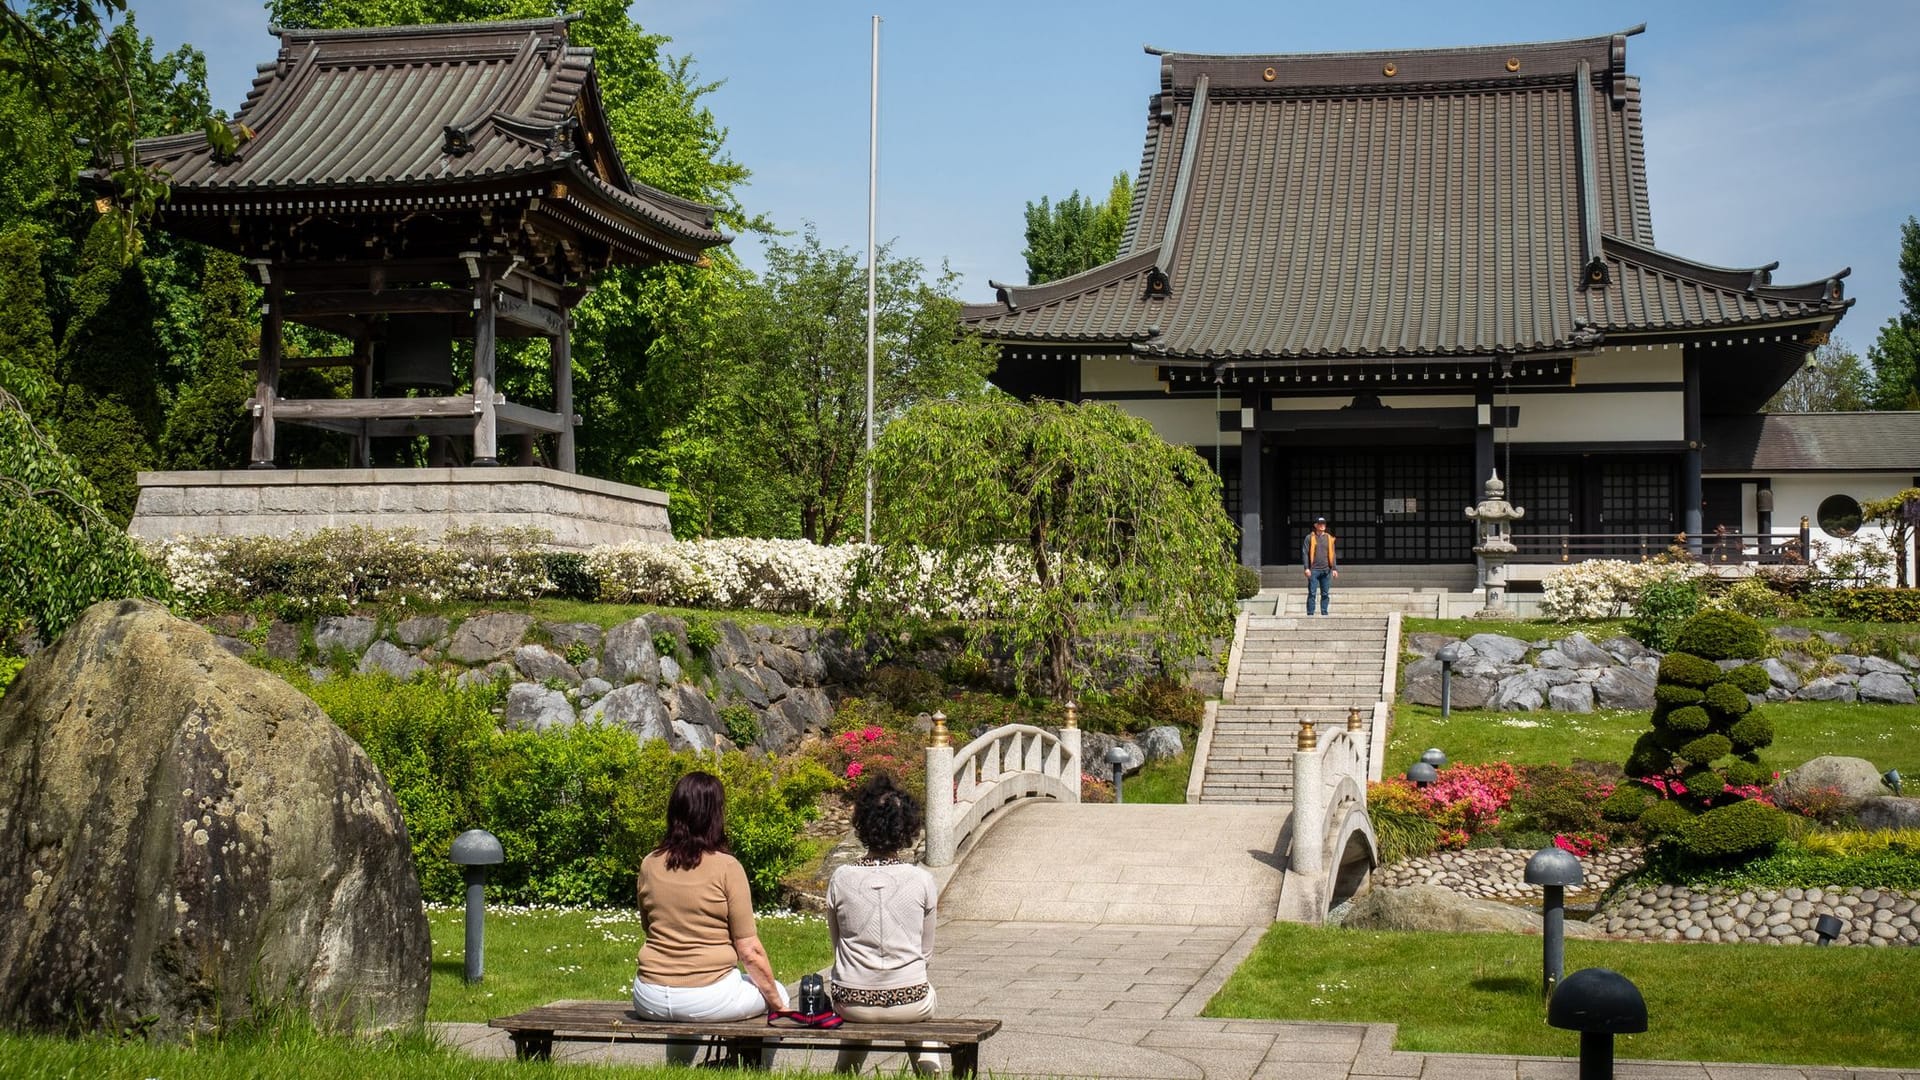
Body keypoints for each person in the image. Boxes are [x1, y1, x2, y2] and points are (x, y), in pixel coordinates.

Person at [632, 771, 789, 1061]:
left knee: (689, 1006)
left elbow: (648, 926)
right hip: (706, 997)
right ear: (714, 815)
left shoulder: (649, 863)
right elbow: (750, 952)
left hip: (648, 995)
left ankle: (676, 1069)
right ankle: (754, 1069)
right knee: (777, 991)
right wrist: (779, 1004)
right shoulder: (727, 867)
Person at [826, 773, 942, 1074]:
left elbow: (837, 944)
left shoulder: (840, 878)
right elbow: (925, 953)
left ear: (862, 824)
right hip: (911, 1000)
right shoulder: (922, 880)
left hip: (850, 1001)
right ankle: (931, 1072)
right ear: (908, 828)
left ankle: (844, 1072)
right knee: (921, 996)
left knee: (859, 988)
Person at [1301, 515, 1339, 615]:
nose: (1322, 526)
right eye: (1320, 524)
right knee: (1312, 593)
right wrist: (1306, 568)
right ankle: (1310, 613)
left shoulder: (1329, 538)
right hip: (1313, 570)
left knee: (1325, 594)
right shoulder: (1309, 538)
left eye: (1324, 524)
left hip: (1326, 570)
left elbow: (1333, 554)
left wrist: (1334, 569)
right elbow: (1305, 553)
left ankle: (1324, 612)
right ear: (1315, 525)